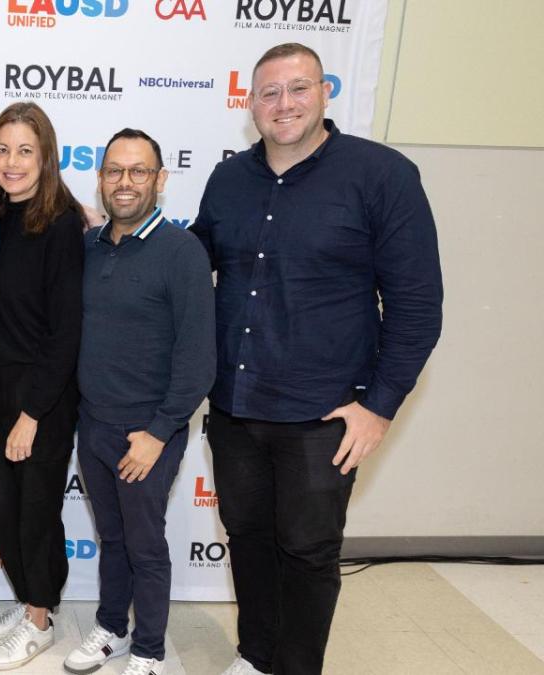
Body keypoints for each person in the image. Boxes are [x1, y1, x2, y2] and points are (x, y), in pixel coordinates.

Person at [190, 43, 443, 675]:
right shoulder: (229, 180)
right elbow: (192, 262)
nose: (284, 104)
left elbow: (417, 306)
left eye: (297, 88)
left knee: (307, 552)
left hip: (324, 416)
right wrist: (115, 235)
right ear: (250, 103)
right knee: (247, 541)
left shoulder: (381, 175)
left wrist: (379, 408)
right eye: (270, 92)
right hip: (235, 406)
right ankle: (255, 656)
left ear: (324, 92)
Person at [64, 129, 215, 675]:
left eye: (138, 171)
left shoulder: (181, 252)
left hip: (148, 432)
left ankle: (149, 651)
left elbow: (199, 357)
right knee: (113, 538)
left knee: (146, 545)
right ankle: (110, 628)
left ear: (160, 180)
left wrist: (158, 433)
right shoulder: (89, 246)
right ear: (100, 179)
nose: (124, 182)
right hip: (94, 424)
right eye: (114, 171)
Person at [0, 102, 84, 671]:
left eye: (25, 151)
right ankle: (29, 600)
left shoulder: (62, 222)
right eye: (3, 150)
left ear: (46, 157)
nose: (12, 162)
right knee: (4, 504)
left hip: (43, 391)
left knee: (37, 508)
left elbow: (67, 332)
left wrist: (33, 412)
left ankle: (41, 618)